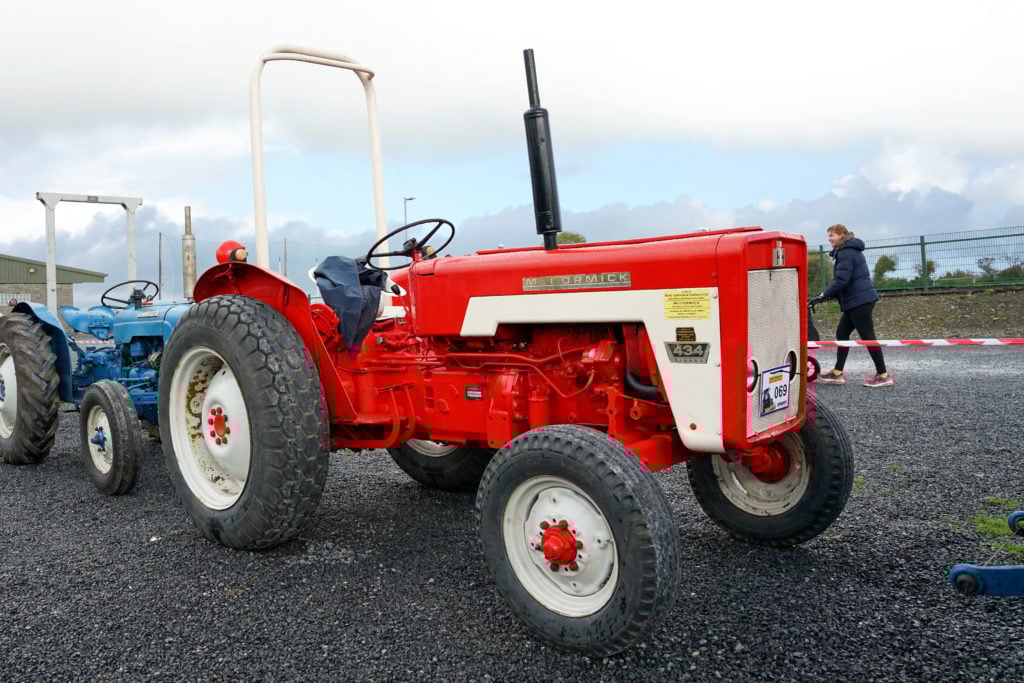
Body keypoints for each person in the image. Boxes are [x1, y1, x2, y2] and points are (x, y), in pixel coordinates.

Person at [810, 223, 894, 388]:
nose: (829, 239)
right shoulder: (848, 250)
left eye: (831, 235)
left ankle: (883, 375)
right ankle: (837, 373)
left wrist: (824, 295)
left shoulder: (846, 253)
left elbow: (842, 280)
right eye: (828, 236)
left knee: (868, 338)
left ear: (841, 235)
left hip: (859, 301)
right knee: (842, 333)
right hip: (856, 301)